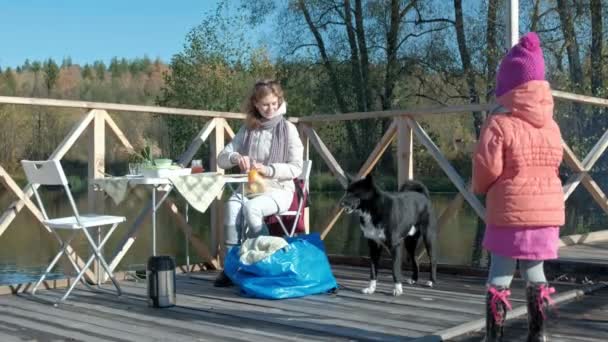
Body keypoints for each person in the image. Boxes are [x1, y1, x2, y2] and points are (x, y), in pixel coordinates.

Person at [473, 32, 564, 342]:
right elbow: (556, 162)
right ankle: (538, 335)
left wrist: (480, 187)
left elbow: (487, 168)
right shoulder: (552, 125)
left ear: (506, 86)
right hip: (546, 213)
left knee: (500, 273)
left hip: (510, 211)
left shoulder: (498, 123)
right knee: (535, 274)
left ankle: (493, 337)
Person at [213, 79, 304, 287]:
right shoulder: (248, 129)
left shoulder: (288, 129)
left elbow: (296, 167)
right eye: (265, 104)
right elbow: (222, 158)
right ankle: (231, 267)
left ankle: (261, 262)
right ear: (255, 103)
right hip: (251, 187)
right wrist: (236, 158)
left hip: (279, 188)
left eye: (274, 103)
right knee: (231, 207)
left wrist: (269, 169)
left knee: (252, 208)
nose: (270, 108)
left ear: (279, 101)